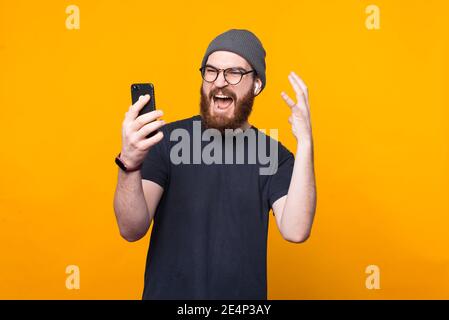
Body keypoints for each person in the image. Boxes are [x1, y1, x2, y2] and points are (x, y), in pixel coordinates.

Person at [113, 29, 317, 300]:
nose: (220, 82)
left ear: (256, 84)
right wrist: (130, 162)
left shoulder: (274, 156)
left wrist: (305, 143)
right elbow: (131, 229)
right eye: (211, 71)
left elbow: (296, 229)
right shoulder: (166, 141)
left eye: (233, 73)